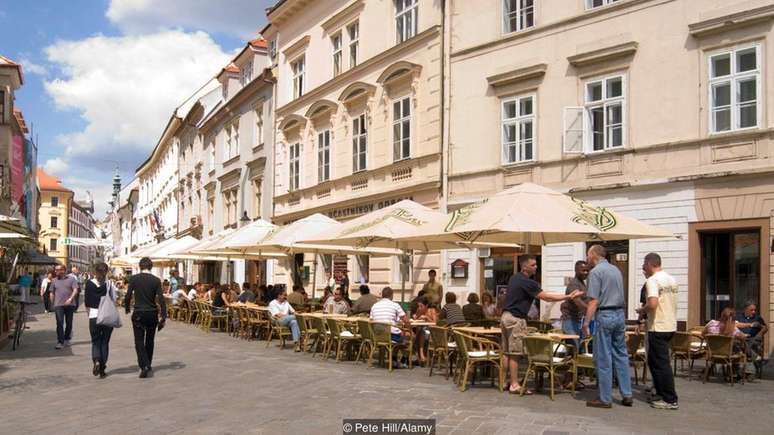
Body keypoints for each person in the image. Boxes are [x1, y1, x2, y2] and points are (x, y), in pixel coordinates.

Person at [502, 255, 581, 395]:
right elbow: (547, 297)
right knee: (515, 353)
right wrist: (568, 297)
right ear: (524, 266)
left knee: (507, 352)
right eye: (533, 265)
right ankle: (514, 384)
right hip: (515, 319)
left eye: (536, 264)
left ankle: (503, 382)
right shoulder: (527, 282)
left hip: (505, 316)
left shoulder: (514, 278)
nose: (536, 267)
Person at [583, 245, 633, 408]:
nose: (587, 259)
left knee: (603, 357)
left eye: (588, 255)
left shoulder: (596, 272)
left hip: (605, 315)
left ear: (593, 255)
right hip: (620, 314)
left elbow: (594, 301)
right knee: (621, 354)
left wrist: (586, 322)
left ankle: (605, 398)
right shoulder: (615, 270)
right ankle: (627, 394)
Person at [642, 253, 679, 410]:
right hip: (670, 324)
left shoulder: (652, 280)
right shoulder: (671, 279)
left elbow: (652, 303)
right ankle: (660, 392)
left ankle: (670, 399)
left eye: (644, 265)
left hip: (658, 326)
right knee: (654, 361)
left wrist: (641, 310)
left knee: (661, 364)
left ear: (650, 264)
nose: (644, 268)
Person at [124, 257, 166, 379]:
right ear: (151, 266)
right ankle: (148, 363)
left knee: (138, 341)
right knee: (150, 340)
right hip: (152, 313)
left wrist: (127, 307)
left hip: (138, 312)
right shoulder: (156, 280)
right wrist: (163, 316)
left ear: (140, 266)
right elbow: (161, 299)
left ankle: (144, 365)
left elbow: (128, 296)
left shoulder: (134, 279)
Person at [84, 262, 117, 379]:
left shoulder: (88, 284)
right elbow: (114, 300)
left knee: (95, 341)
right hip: (107, 316)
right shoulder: (110, 284)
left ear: (94, 272)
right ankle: (102, 369)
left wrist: (89, 314)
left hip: (94, 316)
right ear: (106, 272)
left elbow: (87, 302)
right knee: (105, 342)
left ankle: (96, 360)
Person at [560, 261, 591, 349]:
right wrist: (590, 311)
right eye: (583, 270)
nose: (586, 273)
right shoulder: (574, 284)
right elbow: (577, 301)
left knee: (580, 348)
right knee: (574, 348)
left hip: (579, 320)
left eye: (587, 270)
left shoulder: (582, 283)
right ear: (576, 270)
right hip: (570, 321)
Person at [51, 265, 80, 349]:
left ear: (63, 270)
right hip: (58, 305)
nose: (55, 271)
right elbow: (52, 292)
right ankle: (60, 341)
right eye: (55, 270)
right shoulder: (54, 280)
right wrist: (52, 303)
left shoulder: (71, 279)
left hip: (70, 304)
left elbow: (75, 290)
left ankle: (67, 339)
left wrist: (70, 299)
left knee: (69, 323)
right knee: (59, 323)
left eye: (57, 270)